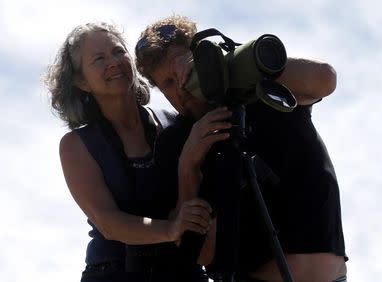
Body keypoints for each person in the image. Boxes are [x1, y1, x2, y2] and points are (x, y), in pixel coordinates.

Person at [135, 15, 348, 282]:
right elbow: (198, 251)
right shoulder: (175, 141)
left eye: (184, 70)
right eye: (167, 83)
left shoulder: (259, 91)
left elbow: (324, 79)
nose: (180, 86)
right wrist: (188, 166)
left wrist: (237, 64)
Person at [43, 22, 213, 282]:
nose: (113, 62)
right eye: (99, 59)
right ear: (81, 82)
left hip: (183, 271)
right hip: (115, 273)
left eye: (118, 52)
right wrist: (171, 229)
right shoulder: (76, 145)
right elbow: (108, 222)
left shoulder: (177, 123)